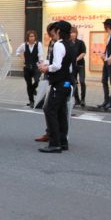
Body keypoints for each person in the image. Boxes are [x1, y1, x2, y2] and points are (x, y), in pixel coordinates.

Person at [38, 20, 76, 153]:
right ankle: (63, 141)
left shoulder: (58, 45)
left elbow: (57, 65)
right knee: (61, 112)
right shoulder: (70, 44)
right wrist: (47, 63)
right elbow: (64, 62)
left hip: (59, 82)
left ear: (59, 31)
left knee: (50, 110)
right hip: (67, 82)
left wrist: (46, 68)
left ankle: (55, 143)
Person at [16, 30, 44, 108]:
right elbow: (17, 52)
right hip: (27, 67)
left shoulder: (39, 44)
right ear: (27, 37)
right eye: (30, 36)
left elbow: (41, 55)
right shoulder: (24, 45)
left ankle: (33, 88)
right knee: (28, 84)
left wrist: (41, 64)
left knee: (37, 80)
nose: (32, 38)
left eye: (33, 36)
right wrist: (22, 57)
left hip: (36, 66)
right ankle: (31, 101)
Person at [99, 18, 111, 110]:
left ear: (108, 26)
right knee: (104, 80)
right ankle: (106, 100)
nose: (104, 27)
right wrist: (104, 54)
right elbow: (108, 48)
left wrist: (110, 57)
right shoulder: (108, 36)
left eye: (105, 25)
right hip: (107, 60)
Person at [70, 27, 87, 108]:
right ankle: (77, 100)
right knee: (74, 82)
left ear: (76, 33)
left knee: (82, 81)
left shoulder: (80, 43)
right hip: (72, 66)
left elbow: (83, 52)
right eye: (71, 32)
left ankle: (83, 99)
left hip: (80, 65)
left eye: (74, 32)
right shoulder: (68, 43)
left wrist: (77, 59)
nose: (73, 34)